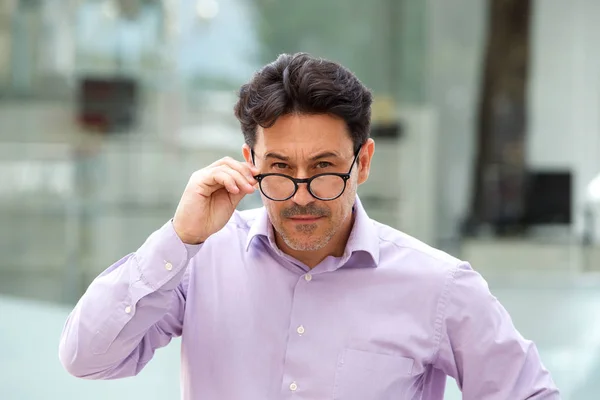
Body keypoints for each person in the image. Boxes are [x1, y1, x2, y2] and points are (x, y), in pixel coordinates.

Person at [59, 53, 560, 400]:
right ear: (249, 162)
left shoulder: (440, 286)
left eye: (323, 168)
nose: (300, 194)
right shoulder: (199, 260)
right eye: (278, 168)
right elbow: (86, 358)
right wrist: (179, 237)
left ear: (362, 162)